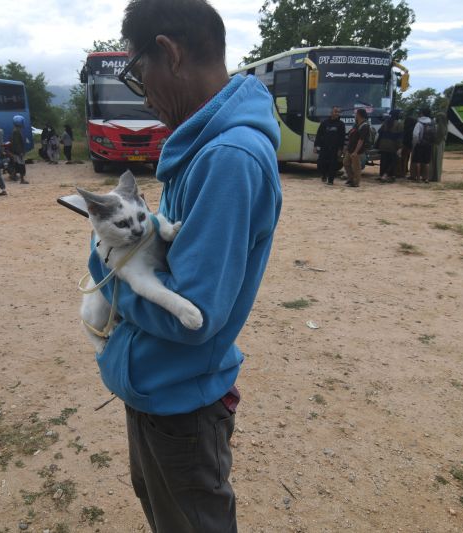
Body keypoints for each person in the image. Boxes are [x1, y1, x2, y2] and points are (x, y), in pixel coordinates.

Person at [86, 1, 282, 531]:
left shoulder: (227, 159)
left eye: (136, 71)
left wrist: (102, 262)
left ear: (168, 54)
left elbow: (188, 315)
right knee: (164, 509)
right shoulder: (199, 149)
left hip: (180, 404)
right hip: (156, 387)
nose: (142, 92)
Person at [314, 106, 345, 185]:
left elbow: (342, 137)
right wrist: (315, 145)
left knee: (333, 164)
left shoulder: (341, 124)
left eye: (338, 112)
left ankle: (331, 180)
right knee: (321, 163)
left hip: (334, 148)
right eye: (335, 111)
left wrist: (340, 149)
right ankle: (324, 175)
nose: (337, 113)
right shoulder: (325, 123)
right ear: (331, 112)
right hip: (324, 147)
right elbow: (319, 134)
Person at [343, 108, 369, 187]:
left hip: (357, 151)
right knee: (346, 163)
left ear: (359, 115)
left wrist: (356, 151)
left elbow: (361, 140)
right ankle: (350, 178)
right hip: (350, 149)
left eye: (356, 114)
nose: (355, 115)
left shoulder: (365, 126)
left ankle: (355, 182)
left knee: (356, 167)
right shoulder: (356, 124)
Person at [376, 109, 403, 182]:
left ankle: (382, 175)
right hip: (393, 146)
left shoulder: (385, 122)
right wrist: (400, 147)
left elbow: (379, 132)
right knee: (393, 161)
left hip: (383, 145)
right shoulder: (399, 124)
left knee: (384, 161)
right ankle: (386, 175)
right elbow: (399, 138)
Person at [411, 108, 434, 182]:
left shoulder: (419, 123)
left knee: (418, 161)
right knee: (427, 162)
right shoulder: (432, 122)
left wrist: (415, 143)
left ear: (422, 113)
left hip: (420, 144)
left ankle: (418, 178)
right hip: (429, 144)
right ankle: (426, 178)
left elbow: (415, 135)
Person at [429, 110, 448, 182]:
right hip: (440, 144)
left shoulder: (439, 126)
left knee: (435, 160)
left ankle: (434, 176)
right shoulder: (445, 126)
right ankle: (436, 176)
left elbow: (438, 136)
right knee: (437, 161)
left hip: (437, 144)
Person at [10, 116, 28, 184]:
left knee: (18, 165)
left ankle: (13, 175)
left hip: (16, 151)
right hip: (18, 152)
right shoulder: (16, 131)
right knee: (21, 165)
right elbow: (17, 143)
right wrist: (20, 152)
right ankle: (22, 180)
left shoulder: (16, 130)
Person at [398, 112, 417, 179]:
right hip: (410, 145)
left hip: (405, 145)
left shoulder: (406, 129)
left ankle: (402, 173)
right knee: (407, 158)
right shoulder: (413, 129)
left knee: (403, 159)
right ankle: (405, 170)